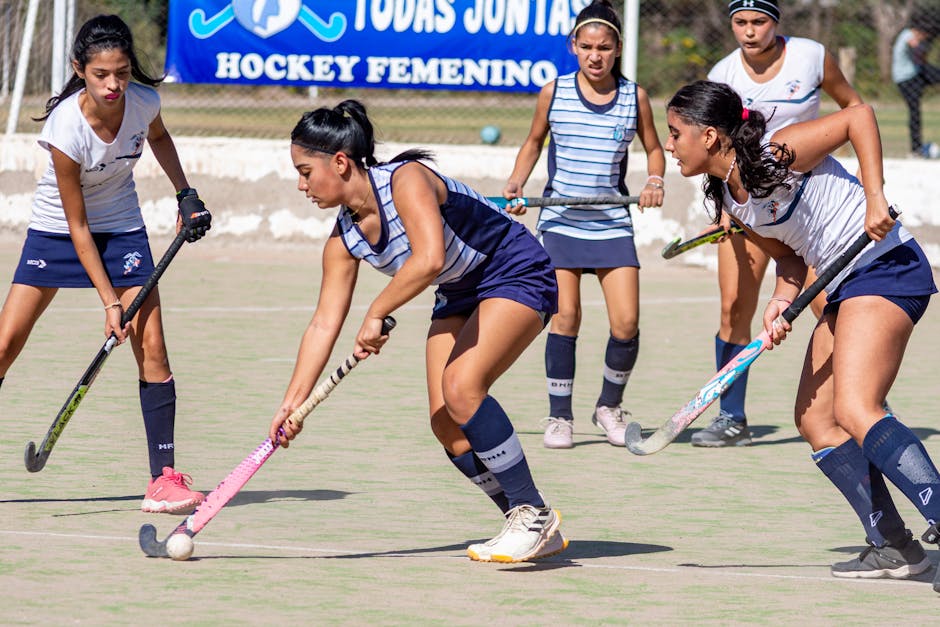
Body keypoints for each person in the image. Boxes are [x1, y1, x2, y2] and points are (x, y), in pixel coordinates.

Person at [665, 79, 940, 587]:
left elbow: (860, 115)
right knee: (817, 420)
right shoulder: (732, 198)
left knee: (857, 408)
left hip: (885, 265)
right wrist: (778, 303)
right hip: (845, 285)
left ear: (707, 136)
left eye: (674, 133)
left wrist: (875, 198)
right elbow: (790, 258)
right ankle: (895, 547)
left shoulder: (779, 150)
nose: (668, 145)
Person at [268, 99, 567, 563]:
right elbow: (324, 322)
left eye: (306, 171)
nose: (300, 183)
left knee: (462, 387)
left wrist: (377, 310)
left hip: (512, 268)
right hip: (459, 289)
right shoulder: (343, 239)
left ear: (341, 162)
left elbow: (426, 258)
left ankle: (534, 514)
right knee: (447, 423)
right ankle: (522, 518)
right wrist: (294, 403)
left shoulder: (405, 179)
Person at [0, 15, 212, 514]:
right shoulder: (65, 128)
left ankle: (163, 479)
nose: (114, 84)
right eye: (101, 75)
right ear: (80, 70)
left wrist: (186, 194)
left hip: (121, 227)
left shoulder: (144, 102)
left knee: (152, 343)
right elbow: (77, 227)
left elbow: (158, 138)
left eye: (121, 72)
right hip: (58, 231)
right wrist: (110, 301)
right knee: (5, 343)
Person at [692, 0, 863, 447]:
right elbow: (709, 147)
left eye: (759, 22)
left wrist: (834, 172)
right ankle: (731, 417)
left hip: (807, 213)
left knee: (832, 307)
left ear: (776, 22)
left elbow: (853, 107)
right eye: (740, 23)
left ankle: (860, 402)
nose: (749, 31)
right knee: (734, 308)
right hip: (749, 209)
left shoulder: (811, 56)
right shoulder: (723, 71)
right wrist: (732, 207)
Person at [503, 0, 666, 449]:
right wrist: (517, 181)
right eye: (587, 46)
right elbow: (534, 142)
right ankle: (559, 417)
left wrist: (655, 178)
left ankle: (608, 407)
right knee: (566, 317)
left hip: (611, 223)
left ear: (618, 50)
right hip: (559, 220)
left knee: (626, 322)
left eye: (605, 47)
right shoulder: (553, 92)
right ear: (574, 46)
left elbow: (655, 148)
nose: (596, 55)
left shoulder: (635, 98)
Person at [892, 8, 940, 159]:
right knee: (915, 111)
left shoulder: (913, 35)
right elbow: (913, 44)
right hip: (906, 79)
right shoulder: (909, 35)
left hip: (916, 73)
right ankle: (915, 149)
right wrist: (922, 45)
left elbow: (921, 59)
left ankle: (917, 148)